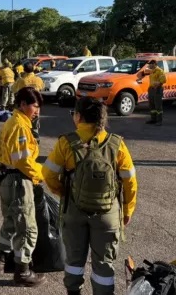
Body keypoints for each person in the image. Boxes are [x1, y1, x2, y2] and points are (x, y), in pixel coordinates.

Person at [42, 97, 138, 295]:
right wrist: (127, 210)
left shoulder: (66, 143)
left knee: (74, 260)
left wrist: (64, 192)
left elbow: (48, 174)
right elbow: (130, 181)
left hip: (74, 211)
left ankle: (74, 291)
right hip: (107, 213)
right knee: (104, 264)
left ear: (78, 116)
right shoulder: (117, 144)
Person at [0, 87, 46, 287]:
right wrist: (41, 175)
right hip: (18, 181)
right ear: (23, 104)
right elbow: (23, 161)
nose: (37, 110)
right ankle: (22, 272)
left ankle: (0, 261)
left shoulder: (14, 121)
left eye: (39, 106)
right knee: (27, 228)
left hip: (7, 178)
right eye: (34, 106)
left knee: (10, 222)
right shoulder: (20, 126)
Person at [12, 62, 45, 142]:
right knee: (34, 125)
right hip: (35, 105)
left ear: (24, 70)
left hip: (24, 106)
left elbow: (13, 89)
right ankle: (35, 141)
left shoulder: (22, 80)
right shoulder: (38, 79)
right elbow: (42, 87)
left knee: (23, 124)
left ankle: (24, 141)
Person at [139, 60, 166, 125]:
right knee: (152, 105)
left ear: (154, 64)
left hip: (157, 89)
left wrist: (157, 84)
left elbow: (163, 80)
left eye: (150, 64)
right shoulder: (152, 71)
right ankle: (153, 119)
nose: (149, 65)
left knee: (158, 105)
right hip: (151, 89)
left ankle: (159, 121)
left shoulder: (160, 71)